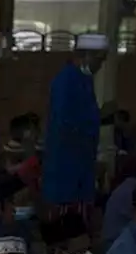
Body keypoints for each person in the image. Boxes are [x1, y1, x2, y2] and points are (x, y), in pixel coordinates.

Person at [42, 33, 108, 214]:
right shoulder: (65, 81)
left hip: (82, 166)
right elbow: (65, 121)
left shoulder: (85, 80)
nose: (100, 65)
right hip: (66, 166)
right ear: (85, 55)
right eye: (98, 59)